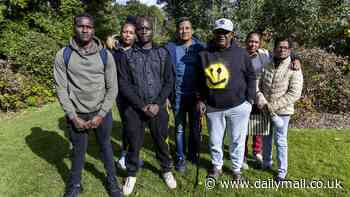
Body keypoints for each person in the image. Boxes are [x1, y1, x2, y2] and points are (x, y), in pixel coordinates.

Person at [53, 13, 121, 197]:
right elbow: (61, 89)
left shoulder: (105, 55)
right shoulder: (63, 55)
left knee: (106, 147)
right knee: (78, 151)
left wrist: (101, 114)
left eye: (89, 26)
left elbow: (112, 88)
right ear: (74, 27)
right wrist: (73, 117)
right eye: (81, 26)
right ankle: (75, 185)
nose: (85, 29)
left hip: (101, 111)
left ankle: (112, 181)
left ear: (93, 29)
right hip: (77, 114)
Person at [116, 16, 176, 195]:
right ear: (136, 31)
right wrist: (142, 106)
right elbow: (124, 84)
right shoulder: (127, 56)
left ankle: (166, 170)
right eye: (140, 29)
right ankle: (132, 173)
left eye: (147, 28)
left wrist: (157, 104)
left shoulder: (163, 53)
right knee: (134, 142)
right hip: (135, 108)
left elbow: (168, 81)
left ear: (152, 30)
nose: (143, 31)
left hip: (158, 107)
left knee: (160, 140)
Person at [197, 18, 256, 180]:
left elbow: (251, 76)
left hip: (239, 106)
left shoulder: (241, 53)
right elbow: (199, 80)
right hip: (213, 107)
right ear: (214, 34)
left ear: (232, 34)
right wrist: (201, 99)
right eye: (218, 32)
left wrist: (250, 99)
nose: (221, 35)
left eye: (225, 32)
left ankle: (236, 170)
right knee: (215, 141)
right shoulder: (204, 54)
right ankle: (217, 167)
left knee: (237, 140)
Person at [256, 36, 303, 182]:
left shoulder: (294, 67)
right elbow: (257, 84)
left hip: (282, 112)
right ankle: (266, 163)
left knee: (280, 140)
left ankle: (282, 172)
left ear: (290, 50)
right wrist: (262, 101)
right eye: (279, 47)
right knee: (266, 138)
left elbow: (294, 93)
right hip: (265, 108)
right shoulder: (267, 64)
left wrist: (273, 106)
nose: (282, 50)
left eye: (285, 47)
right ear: (274, 48)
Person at [165, 17, 205, 172]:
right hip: (178, 94)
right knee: (180, 127)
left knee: (195, 127)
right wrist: (167, 96)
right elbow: (165, 73)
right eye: (181, 28)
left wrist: (203, 97)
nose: (184, 31)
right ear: (177, 31)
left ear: (192, 30)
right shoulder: (170, 47)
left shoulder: (200, 47)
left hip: (195, 96)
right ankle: (181, 156)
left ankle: (193, 154)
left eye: (187, 28)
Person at [106, 20, 144, 171]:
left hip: (139, 95)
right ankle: (124, 156)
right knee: (128, 126)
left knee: (138, 126)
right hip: (122, 96)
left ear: (135, 35)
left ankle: (134, 155)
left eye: (130, 32)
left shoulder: (138, 50)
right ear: (121, 33)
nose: (127, 35)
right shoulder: (114, 51)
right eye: (125, 32)